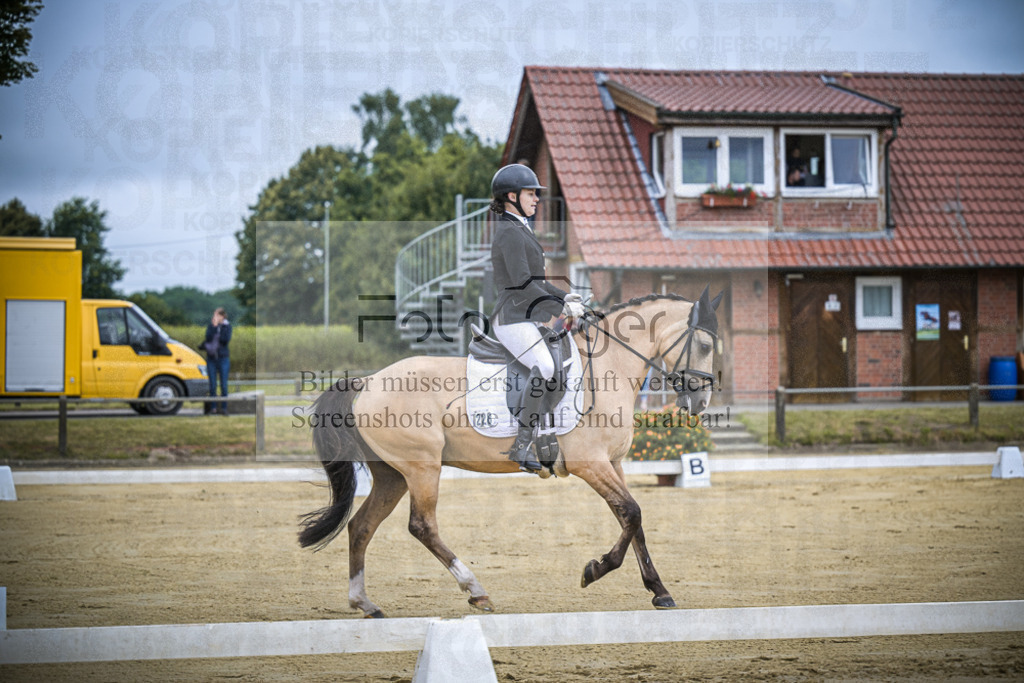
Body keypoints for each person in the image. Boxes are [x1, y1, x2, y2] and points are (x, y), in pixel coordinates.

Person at [488, 163, 584, 473]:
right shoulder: (509, 232)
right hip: (511, 317)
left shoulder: (519, 228)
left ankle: (547, 434)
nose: (537, 199)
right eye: (531, 193)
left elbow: (539, 281)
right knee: (543, 365)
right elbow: (523, 285)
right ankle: (522, 445)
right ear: (511, 196)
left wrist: (566, 297)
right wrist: (559, 308)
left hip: (523, 316)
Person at [203, 307, 232, 415]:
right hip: (211, 359)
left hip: (223, 358)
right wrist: (215, 327)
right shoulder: (211, 326)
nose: (214, 317)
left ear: (222, 316)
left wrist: (218, 331)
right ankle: (213, 408)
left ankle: (224, 408)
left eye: (217, 315)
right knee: (212, 385)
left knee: (224, 385)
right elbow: (208, 338)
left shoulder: (227, 326)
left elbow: (225, 340)